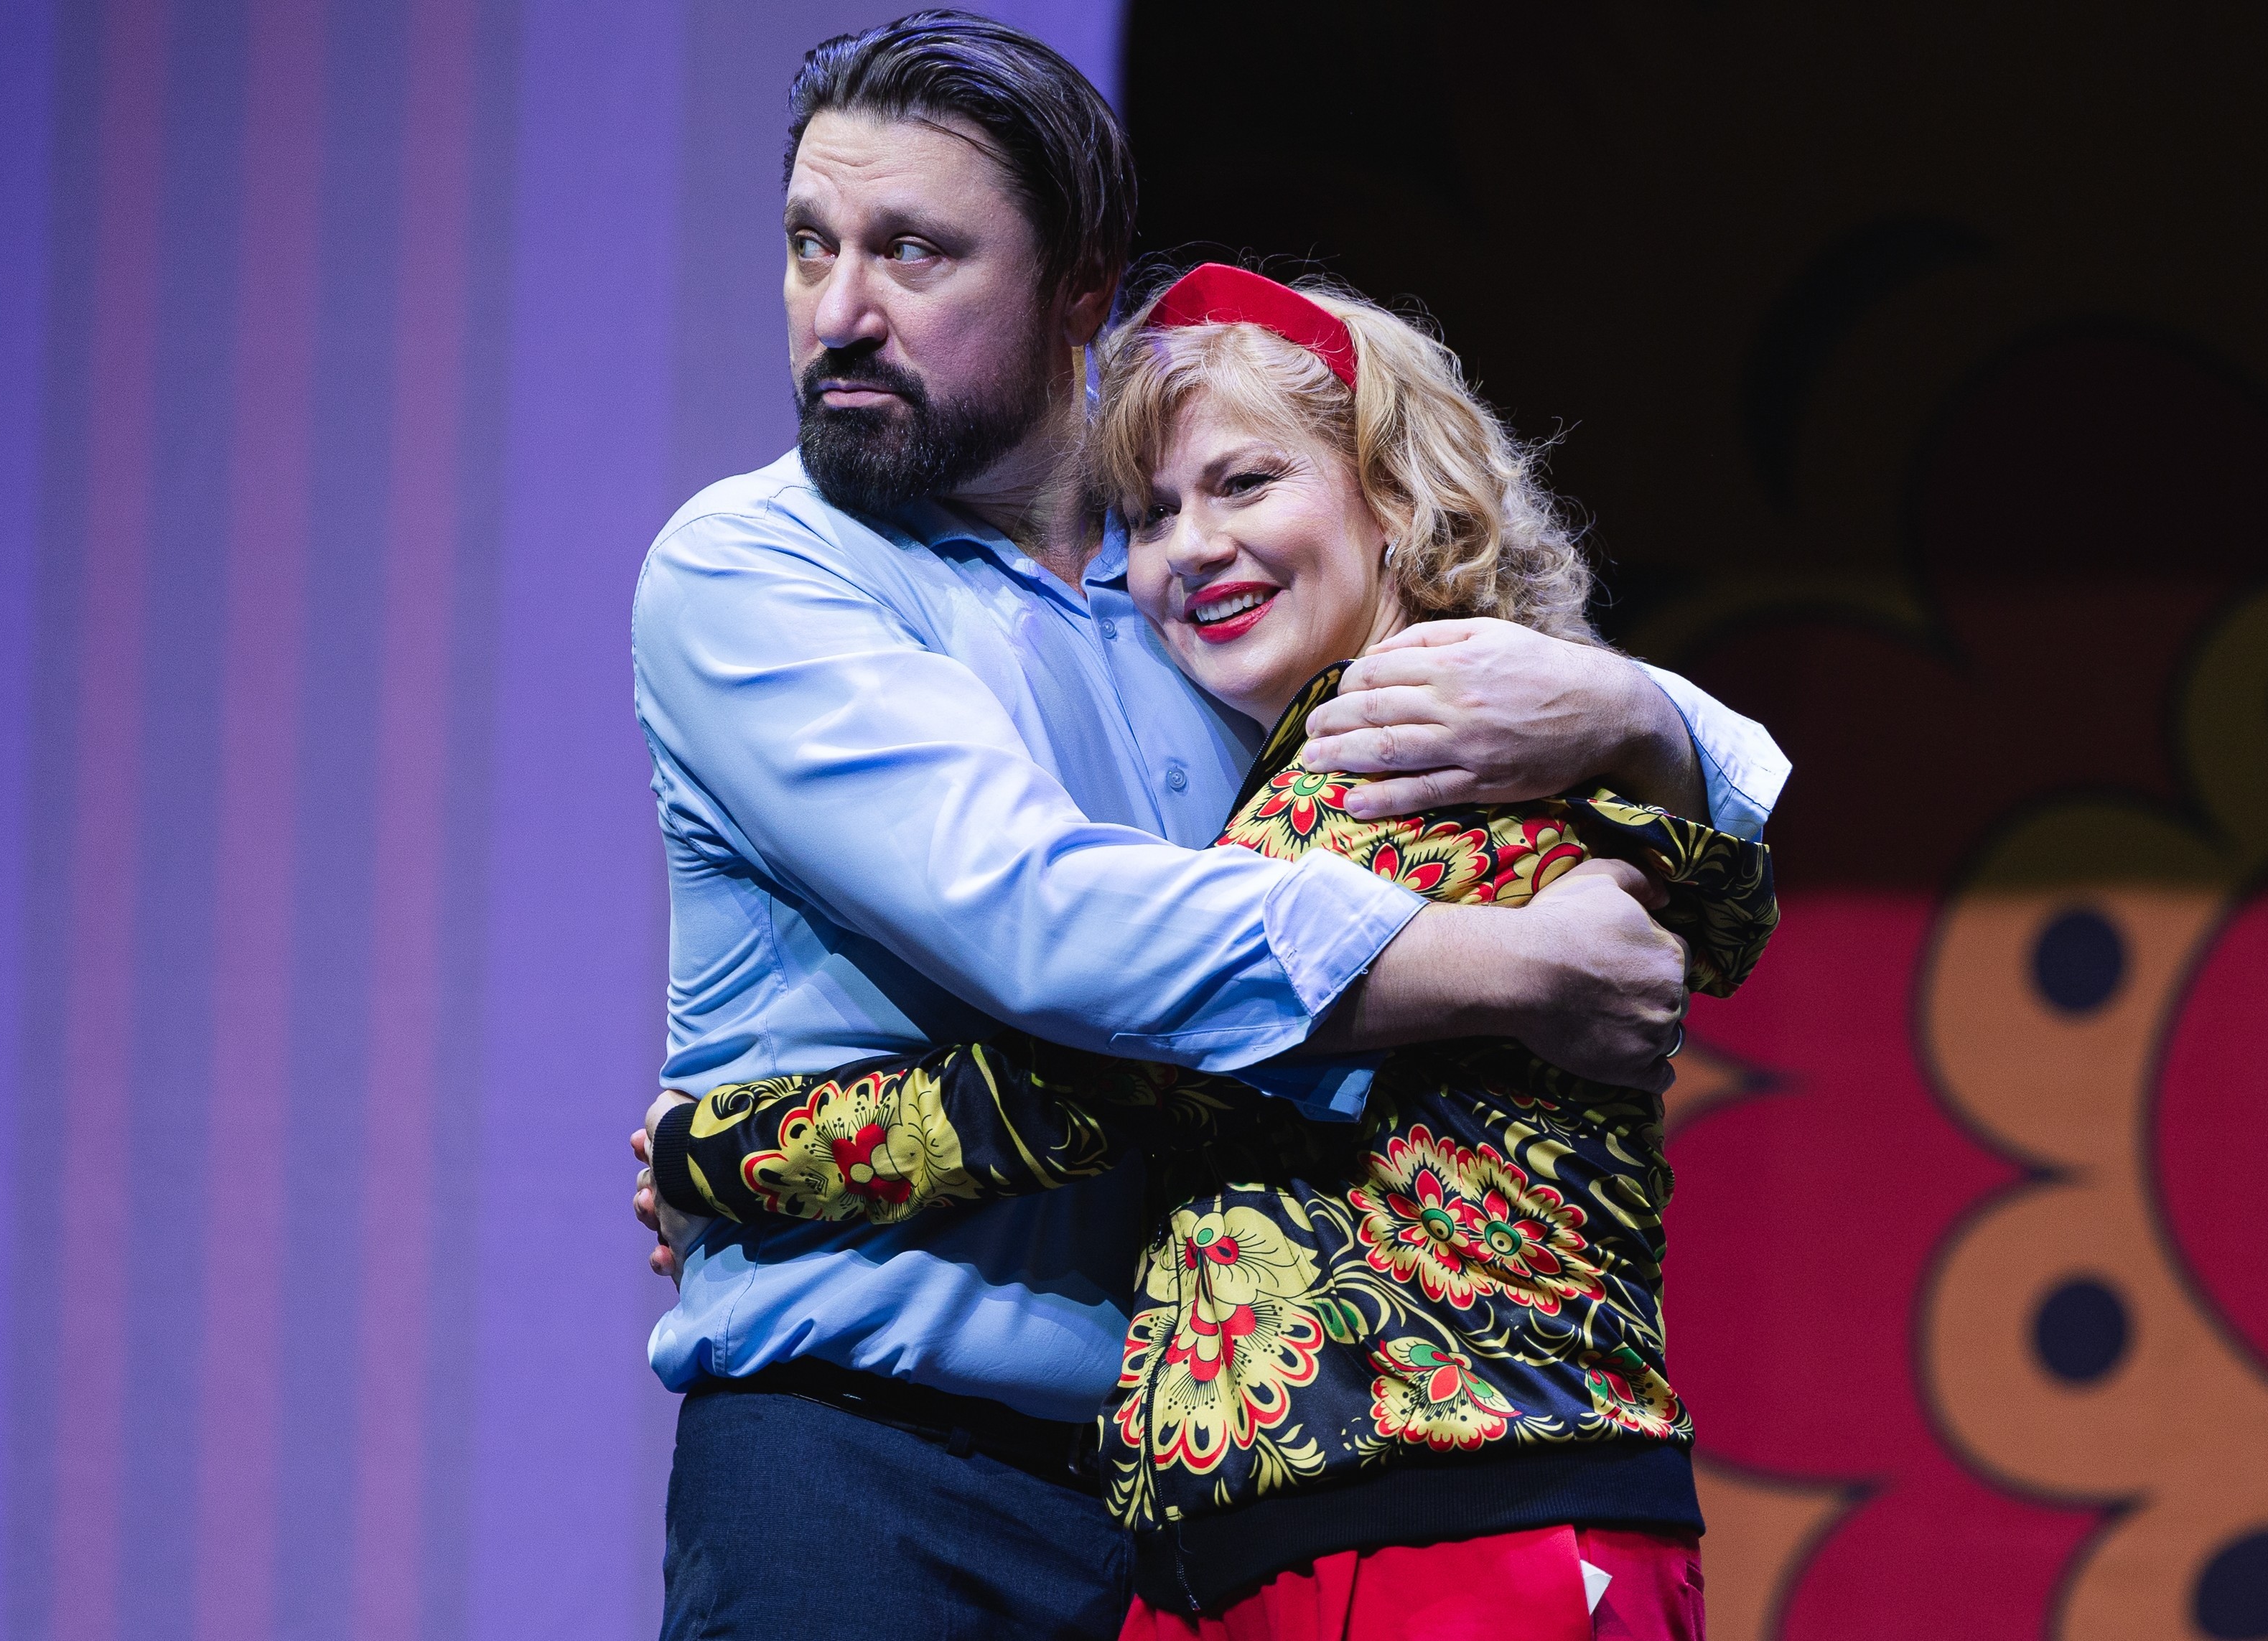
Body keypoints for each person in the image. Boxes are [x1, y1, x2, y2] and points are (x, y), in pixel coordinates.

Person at [627, 14, 1786, 1640]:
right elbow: (1053, 929)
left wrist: (1639, 717)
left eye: (914, 251)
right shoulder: (761, 565)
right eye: (810, 245)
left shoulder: (1257, 645)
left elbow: (1119, 1075)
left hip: (1336, 1512)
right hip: (876, 1469)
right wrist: (1520, 956)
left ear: (1078, 288)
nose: (840, 312)